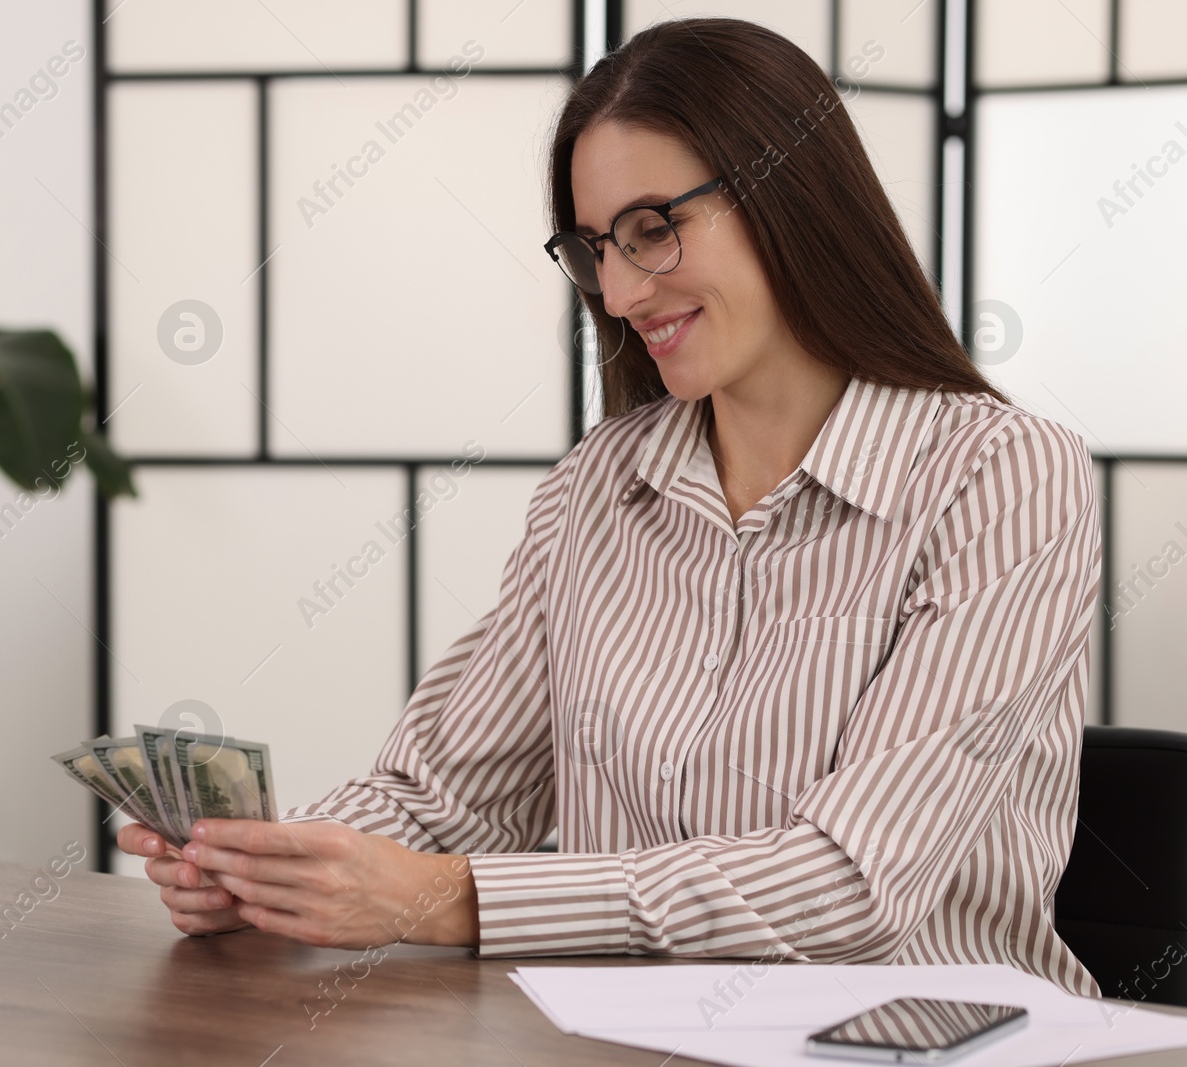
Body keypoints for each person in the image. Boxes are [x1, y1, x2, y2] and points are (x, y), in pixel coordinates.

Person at [116, 17, 1104, 998]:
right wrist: (269, 869)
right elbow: (451, 794)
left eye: (651, 228)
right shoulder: (595, 489)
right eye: (594, 248)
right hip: (631, 1037)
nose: (623, 290)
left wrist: (449, 898)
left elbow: (849, 883)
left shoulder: (1005, 479)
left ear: (790, 197)